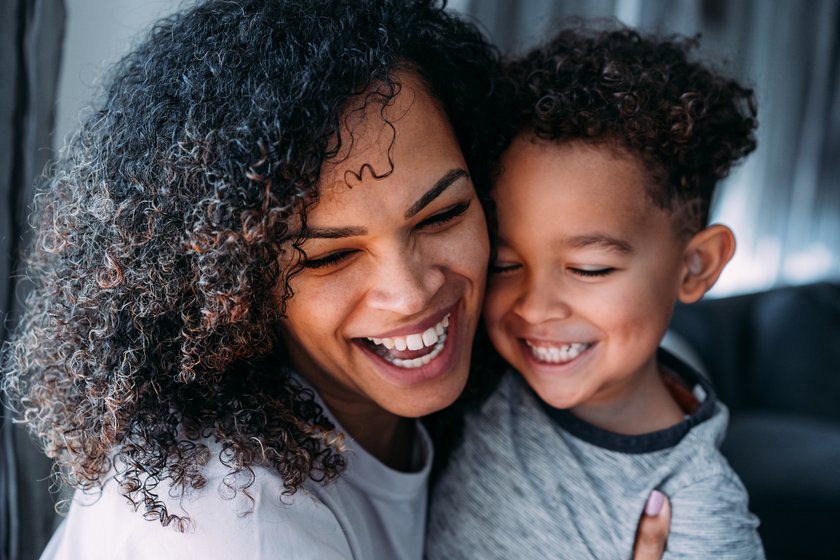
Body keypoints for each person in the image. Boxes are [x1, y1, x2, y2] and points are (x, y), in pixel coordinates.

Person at [1, 2, 669, 558]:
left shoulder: (457, 404)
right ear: (232, 288)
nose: (410, 293)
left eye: (442, 213)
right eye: (327, 257)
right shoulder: (231, 526)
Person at [427, 24, 765, 559]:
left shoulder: (700, 519)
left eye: (589, 269)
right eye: (506, 263)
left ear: (696, 265)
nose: (534, 307)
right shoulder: (481, 381)